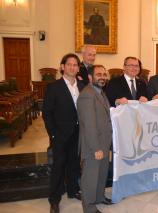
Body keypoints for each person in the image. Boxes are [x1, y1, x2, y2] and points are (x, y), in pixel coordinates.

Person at [42, 53, 84, 213]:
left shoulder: (81, 86)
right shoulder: (54, 87)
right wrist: (53, 134)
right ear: (63, 67)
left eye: (75, 65)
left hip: (78, 133)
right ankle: (54, 199)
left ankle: (73, 190)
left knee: (74, 163)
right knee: (58, 166)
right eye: (70, 64)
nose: (73, 67)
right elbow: (47, 113)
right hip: (60, 134)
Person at [77, 65, 113, 213]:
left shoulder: (100, 92)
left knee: (101, 173)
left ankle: (99, 197)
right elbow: (89, 125)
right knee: (90, 177)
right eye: (99, 74)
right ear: (90, 77)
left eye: (104, 74)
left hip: (104, 142)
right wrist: (96, 148)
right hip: (94, 145)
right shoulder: (87, 94)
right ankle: (89, 207)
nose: (102, 77)